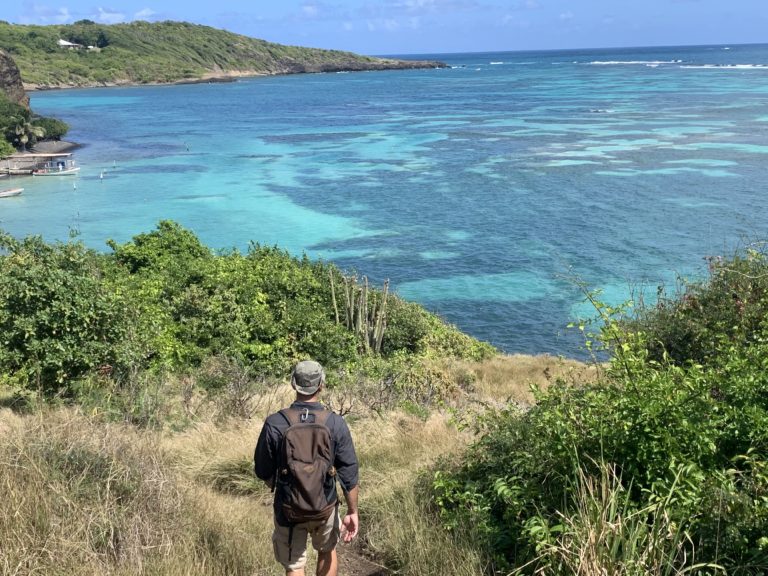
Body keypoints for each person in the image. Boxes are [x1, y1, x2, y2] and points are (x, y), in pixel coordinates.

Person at [255, 360, 359, 576]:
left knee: (294, 564)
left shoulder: (275, 423)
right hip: (326, 506)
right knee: (327, 551)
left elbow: (262, 470)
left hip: (288, 508)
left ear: (293, 384)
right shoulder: (335, 423)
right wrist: (352, 511)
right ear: (321, 384)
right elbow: (349, 472)